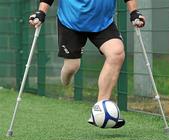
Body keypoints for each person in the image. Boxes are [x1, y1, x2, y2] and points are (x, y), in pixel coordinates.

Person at [29, 0, 145, 128]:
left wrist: (134, 12)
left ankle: (100, 109)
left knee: (117, 53)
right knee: (72, 66)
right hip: (71, 22)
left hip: (103, 22)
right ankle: (65, 79)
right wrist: (41, 12)